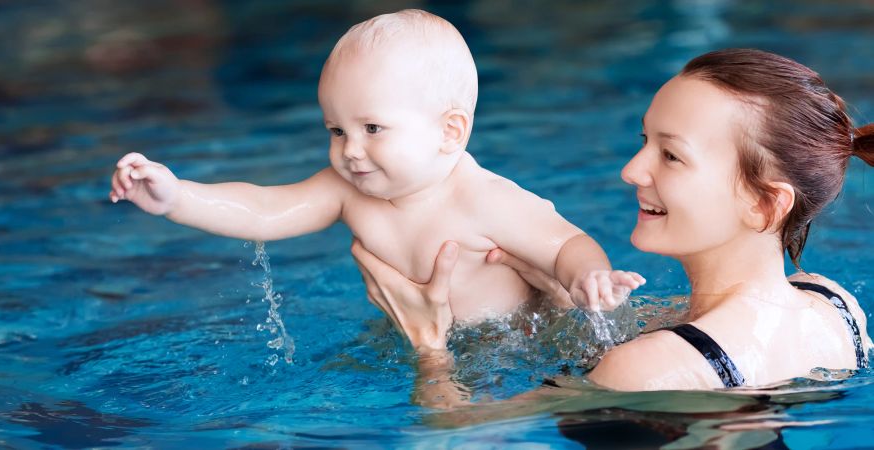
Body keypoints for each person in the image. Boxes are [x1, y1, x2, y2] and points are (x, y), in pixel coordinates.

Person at [351, 48, 874, 395]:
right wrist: (559, 301)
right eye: (643, 141)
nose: (631, 171)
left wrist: (429, 347)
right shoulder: (834, 307)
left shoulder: (649, 369)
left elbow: (454, 436)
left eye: (671, 156)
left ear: (765, 204)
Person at [108, 9, 644, 326]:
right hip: (421, 341)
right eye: (336, 130)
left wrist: (588, 278)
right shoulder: (347, 190)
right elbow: (266, 209)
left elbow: (564, 243)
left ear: (449, 132)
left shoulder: (483, 198)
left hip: (524, 344)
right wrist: (177, 198)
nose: (350, 151)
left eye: (373, 129)